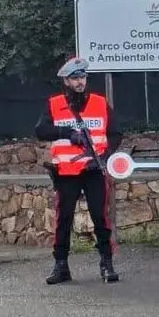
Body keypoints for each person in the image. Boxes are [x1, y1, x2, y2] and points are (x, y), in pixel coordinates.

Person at [34, 56, 122, 285]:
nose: (80, 82)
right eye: (75, 78)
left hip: (94, 170)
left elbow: (115, 133)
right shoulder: (54, 104)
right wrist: (67, 133)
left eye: (82, 77)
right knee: (63, 219)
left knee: (99, 217)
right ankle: (61, 265)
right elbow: (41, 130)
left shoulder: (100, 103)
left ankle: (106, 262)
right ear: (66, 81)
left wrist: (106, 154)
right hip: (66, 172)